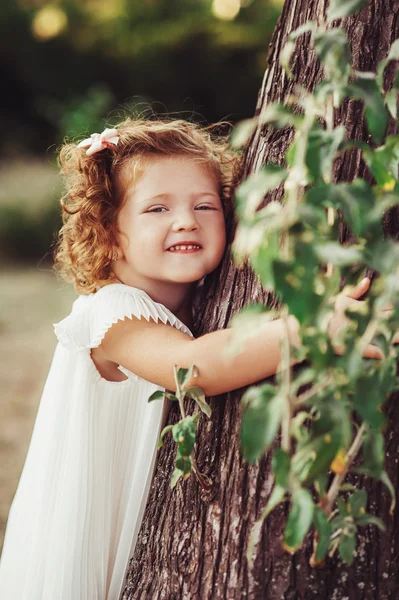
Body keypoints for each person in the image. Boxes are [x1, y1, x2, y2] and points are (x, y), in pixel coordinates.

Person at [0, 118, 384, 600]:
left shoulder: (202, 297)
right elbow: (191, 369)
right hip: (90, 526)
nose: (186, 221)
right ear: (109, 234)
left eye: (205, 206)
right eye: (157, 208)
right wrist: (309, 330)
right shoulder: (111, 313)